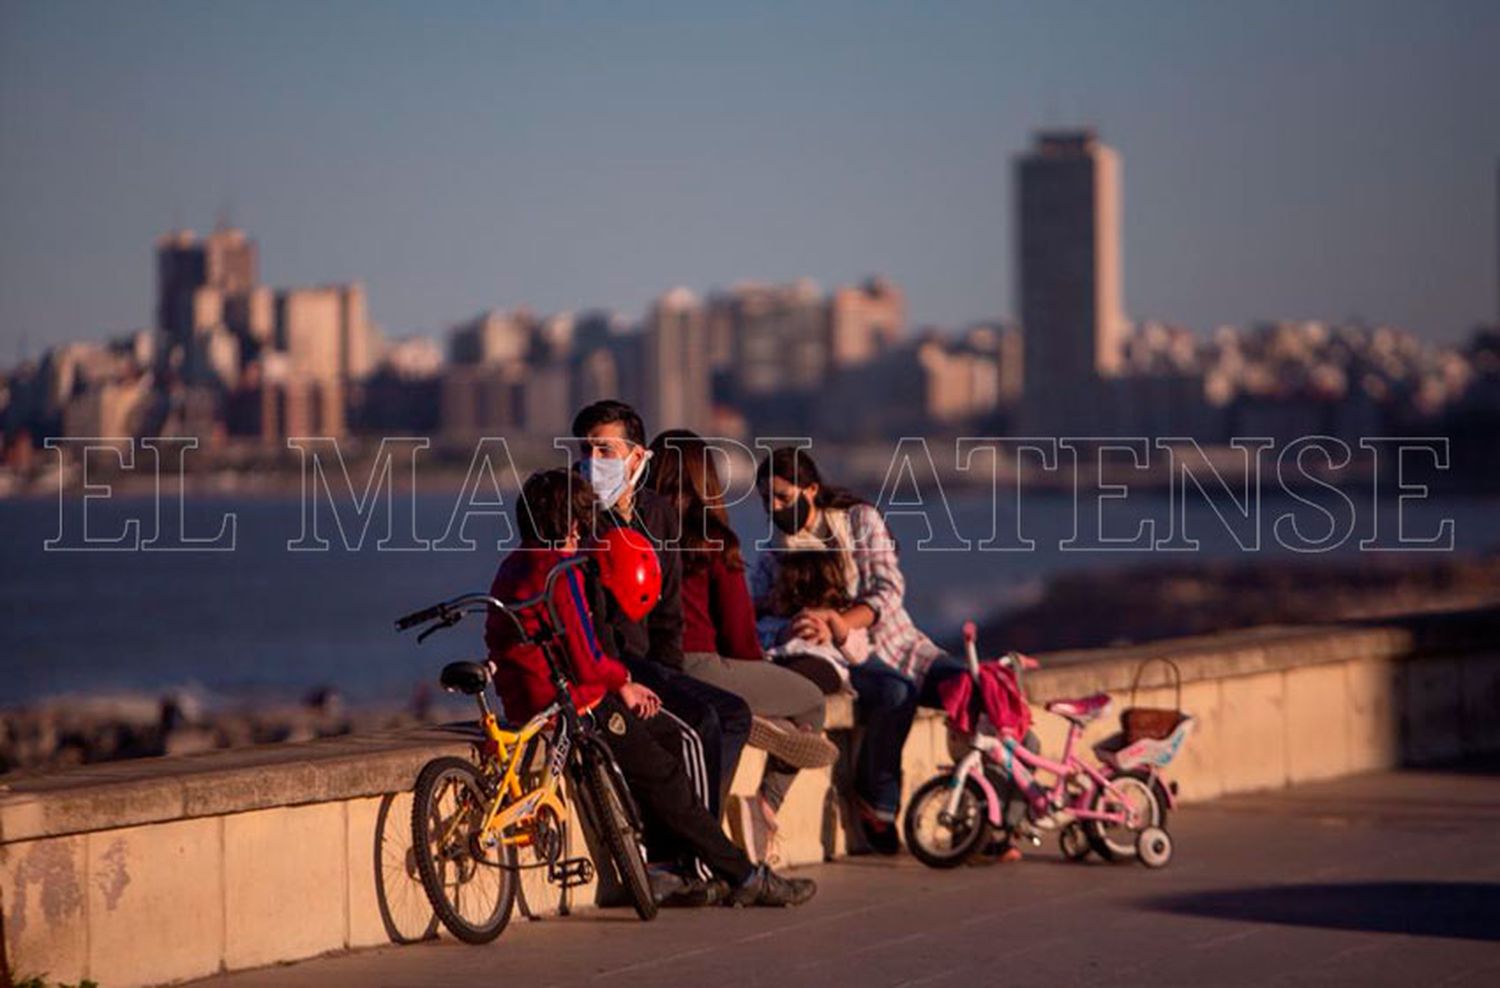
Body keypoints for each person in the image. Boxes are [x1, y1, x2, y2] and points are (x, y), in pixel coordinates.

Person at [484, 468, 816, 907]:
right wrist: (625, 682)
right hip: (573, 704)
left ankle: (712, 868)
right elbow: (587, 657)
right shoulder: (560, 573)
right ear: (573, 524)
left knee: (670, 749)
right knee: (667, 775)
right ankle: (743, 875)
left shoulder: (513, 565)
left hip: (524, 701)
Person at [750, 446, 972, 855]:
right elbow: (757, 606)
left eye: (782, 496)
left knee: (967, 688)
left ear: (811, 489)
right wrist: (797, 621)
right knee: (895, 694)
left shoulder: (858, 521)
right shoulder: (777, 550)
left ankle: (983, 813)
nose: (775, 507)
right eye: (767, 500)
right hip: (849, 661)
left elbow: (888, 590)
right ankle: (878, 804)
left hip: (897, 646)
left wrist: (838, 621)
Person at [646, 430, 839, 864]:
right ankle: (768, 800)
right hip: (702, 668)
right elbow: (739, 636)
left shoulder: (634, 535)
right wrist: (757, 674)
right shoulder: (714, 540)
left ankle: (761, 716)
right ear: (706, 480)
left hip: (651, 669)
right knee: (810, 703)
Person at [570, 401, 752, 821]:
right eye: (585, 451)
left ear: (636, 456)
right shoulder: (579, 519)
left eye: (604, 451)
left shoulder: (659, 514)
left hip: (651, 662)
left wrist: (670, 678)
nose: (591, 462)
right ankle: (699, 843)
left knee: (731, 715)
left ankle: (700, 830)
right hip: (609, 667)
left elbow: (668, 611)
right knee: (702, 724)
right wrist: (624, 680)